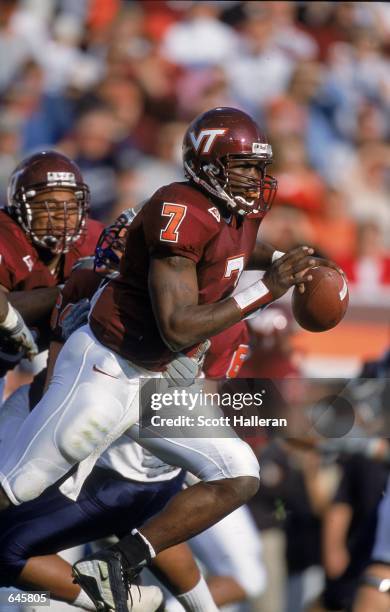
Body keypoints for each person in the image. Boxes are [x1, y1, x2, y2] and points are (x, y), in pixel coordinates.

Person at [0, 107, 337, 612]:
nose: (256, 179)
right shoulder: (179, 209)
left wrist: (288, 258)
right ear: (208, 165)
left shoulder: (234, 209)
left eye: (257, 167)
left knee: (239, 474)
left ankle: (121, 562)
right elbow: (177, 325)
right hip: (108, 370)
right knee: (16, 490)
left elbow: (237, 248)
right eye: (243, 166)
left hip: (157, 387)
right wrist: (269, 289)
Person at [0, 150, 103, 399]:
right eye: (49, 206)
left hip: (58, 369)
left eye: (71, 205)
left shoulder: (93, 238)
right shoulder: (6, 235)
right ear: (21, 208)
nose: (62, 215)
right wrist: (68, 291)